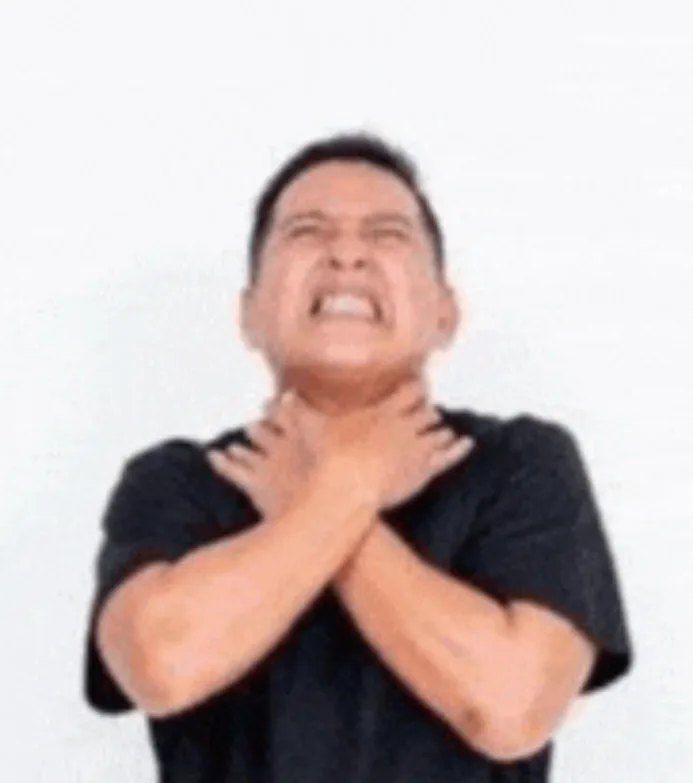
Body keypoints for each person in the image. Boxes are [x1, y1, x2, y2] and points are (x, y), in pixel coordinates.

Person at [82, 132, 634, 782]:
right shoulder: (178, 481)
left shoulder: (519, 464)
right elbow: (162, 666)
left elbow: (510, 708)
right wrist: (349, 488)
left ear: (445, 313)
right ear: (249, 314)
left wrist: (322, 494)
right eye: (307, 232)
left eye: (387, 234)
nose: (347, 255)